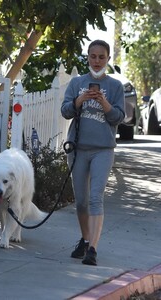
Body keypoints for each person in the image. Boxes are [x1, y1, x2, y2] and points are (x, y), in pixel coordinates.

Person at [61, 40, 125, 266]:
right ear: (87, 57)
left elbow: (119, 118)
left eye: (101, 57)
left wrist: (104, 103)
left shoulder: (115, 86)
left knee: (96, 198)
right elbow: (65, 111)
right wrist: (80, 99)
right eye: (93, 56)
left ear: (108, 59)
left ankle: (93, 250)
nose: (96, 61)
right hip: (78, 149)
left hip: (103, 150)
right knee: (81, 202)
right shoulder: (77, 83)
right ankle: (85, 239)